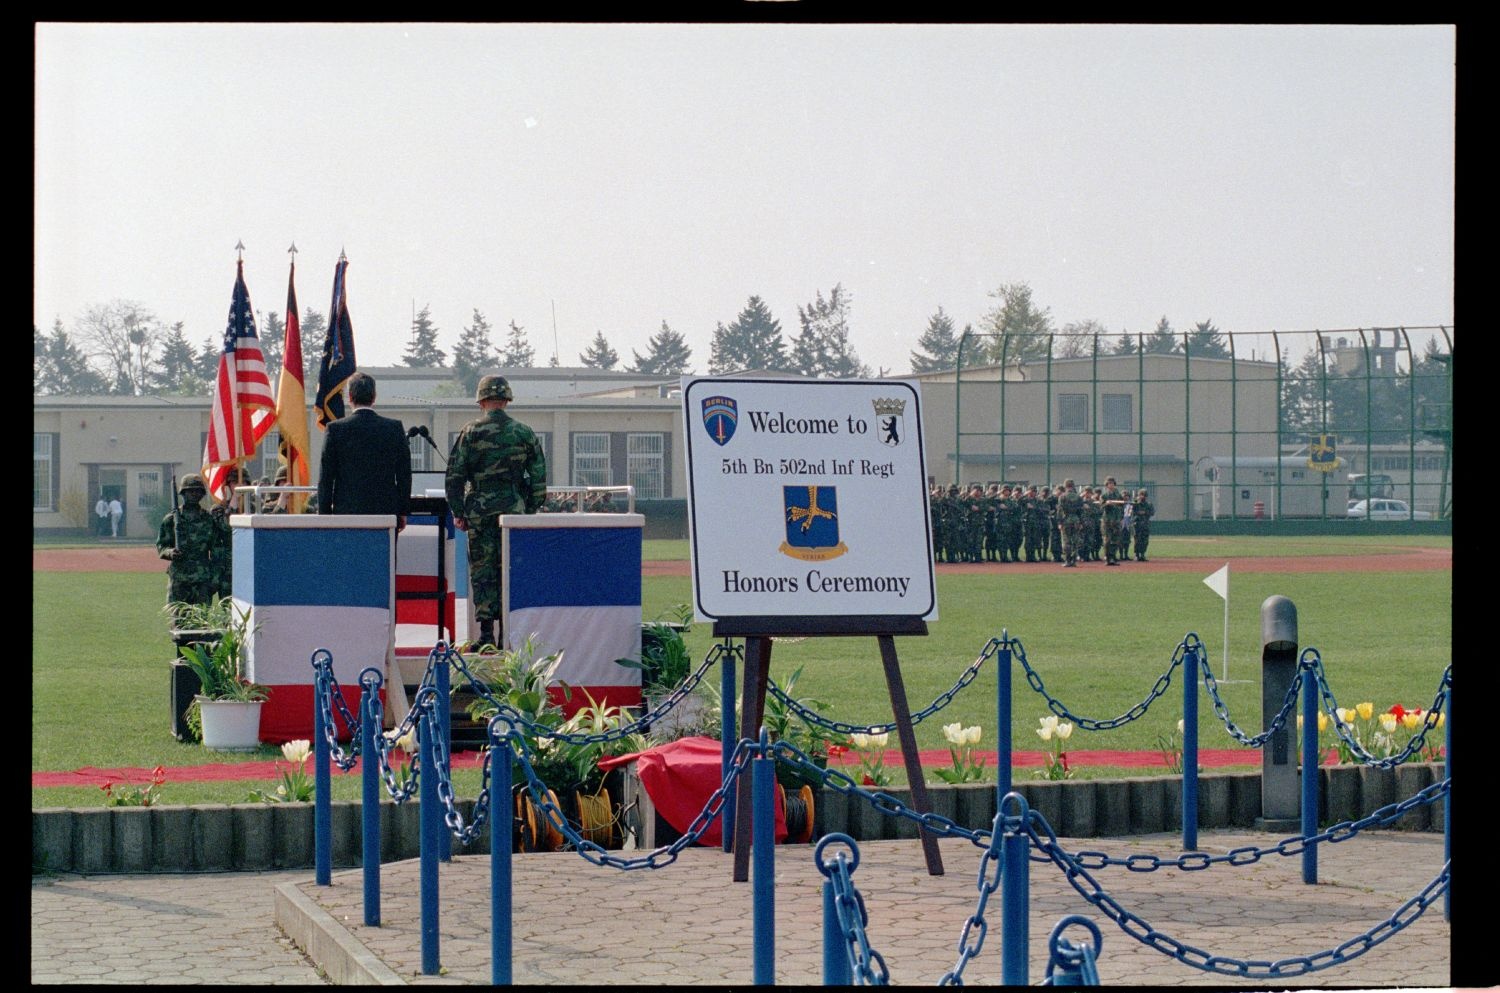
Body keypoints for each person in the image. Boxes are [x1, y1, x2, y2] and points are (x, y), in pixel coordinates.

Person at [445, 374, 548, 650]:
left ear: (481, 401)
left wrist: (459, 511)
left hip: (479, 511)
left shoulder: (470, 432)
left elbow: (454, 476)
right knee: (509, 571)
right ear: (506, 400)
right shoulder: (524, 433)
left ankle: (486, 635)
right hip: (513, 512)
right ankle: (508, 635)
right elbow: (538, 477)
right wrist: (528, 508)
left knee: (483, 572)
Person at [317, 372, 411, 527]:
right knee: (384, 552)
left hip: (346, 514)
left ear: (350, 397)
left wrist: (325, 517)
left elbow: (326, 478)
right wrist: (402, 511)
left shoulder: (335, 429)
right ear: (374, 396)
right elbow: (404, 475)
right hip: (385, 514)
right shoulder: (394, 428)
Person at [156, 473, 231, 610]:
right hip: (179, 579)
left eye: (198, 491)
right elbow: (161, 546)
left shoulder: (209, 520)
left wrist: (214, 579)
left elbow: (217, 551)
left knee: (201, 623)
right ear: (183, 493)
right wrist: (171, 553)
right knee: (178, 623)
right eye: (190, 491)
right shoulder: (171, 520)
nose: (194, 494)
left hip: (202, 580)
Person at [1099, 476, 1128, 566]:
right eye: (1109, 484)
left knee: (1116, 540)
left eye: (1112, 483)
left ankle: (1113, 557)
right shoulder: (1104, 496)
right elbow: (1101, 507)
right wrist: (1106, 504)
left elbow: (1122, 507)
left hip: (1116, 520)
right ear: (1106, 485)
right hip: (1107, 521)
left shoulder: (1118, 495)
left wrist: (1122, 518)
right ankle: (1107, 558)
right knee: (1107, 540)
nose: (1111, 485)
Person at [1056, 478, 1084, 567]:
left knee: (1066, 540)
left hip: (1066, 520)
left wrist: (1059, 522)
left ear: (1065, 486)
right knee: (1075, 541)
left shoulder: (1062, 497)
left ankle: (1068, 560)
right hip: (1076, 520)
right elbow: (1081, 511)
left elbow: (1060, 510)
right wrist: (1081, 522)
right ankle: (1073, 560)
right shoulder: (1079, 497)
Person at [1131, 488, 1155, 561]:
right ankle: (1136, 554)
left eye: (1144, 495)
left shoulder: (1149, 504)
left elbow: (1152, 512)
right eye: (1141, 495)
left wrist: (1145, 513)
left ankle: (1142, 554)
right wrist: (1135, 504)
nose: (1142, 497)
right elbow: (1131, 512)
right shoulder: (1135, 504)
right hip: (1137, 524)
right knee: (1137, 540)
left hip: (1145, 524)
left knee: (1145, 540)